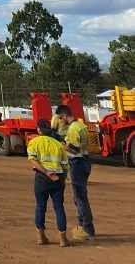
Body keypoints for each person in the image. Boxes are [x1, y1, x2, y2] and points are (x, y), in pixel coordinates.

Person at [56, 104, 95, 243]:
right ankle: (84, 227)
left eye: (61, 118)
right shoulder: (80, 125)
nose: (61, 120)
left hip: (77, 163)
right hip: (85, 161)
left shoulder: (72, 129)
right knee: (80, 196)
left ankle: (87, 229)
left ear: (65, 116)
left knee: (80, 198)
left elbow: (74, 149)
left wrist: (61, 144)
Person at [27, 119, 69, 247]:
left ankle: (41, 237)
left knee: (40, 207)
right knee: (59, 207)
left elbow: (33, 161)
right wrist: (62, 178)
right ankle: (63, 239)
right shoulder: (58, 145)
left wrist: (45, 172)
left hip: (41, 178)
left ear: (39, 130)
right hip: (57, 178)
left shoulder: (33, 142)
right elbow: (65, 166)